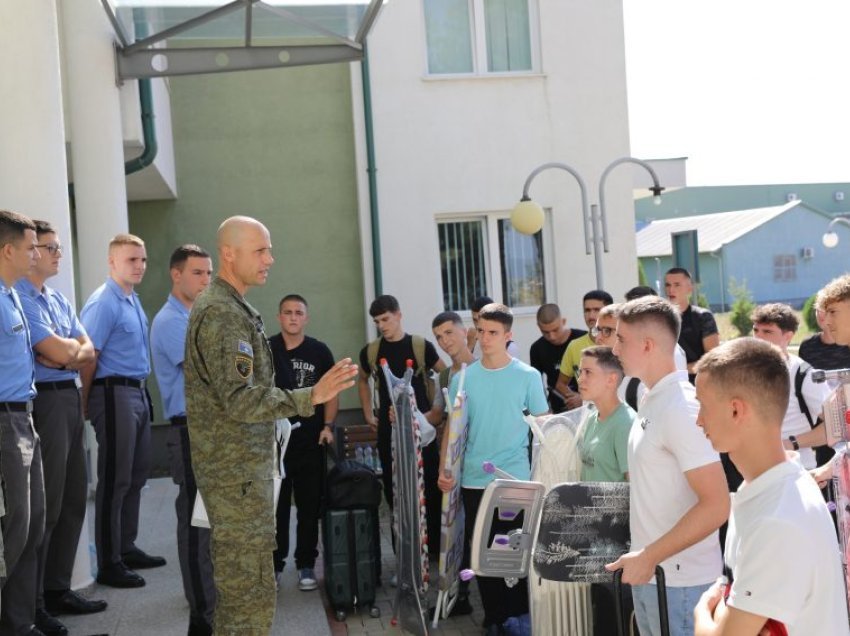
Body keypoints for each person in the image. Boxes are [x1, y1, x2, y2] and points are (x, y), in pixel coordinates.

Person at [183, 216, 357, 635]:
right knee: (247, 601)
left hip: (244, 475)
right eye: (260, 250)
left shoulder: (235, 308)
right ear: (229, 253)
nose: (270, 259)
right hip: (236, 480)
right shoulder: (223, 314)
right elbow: (241, 399)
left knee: (249, 594)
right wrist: (309, 397)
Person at [692, 338, 849, 635]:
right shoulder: (774, 487)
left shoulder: (777, 518)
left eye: (702, 405)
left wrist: (701, 610)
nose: (698, 420)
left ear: (736, 411)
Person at [606, 296, 729, 636]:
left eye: (621, 339)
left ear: (647, 345)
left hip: (680, 584)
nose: (614, 348)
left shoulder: (680, 407)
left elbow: (717, 504)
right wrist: (644, 558)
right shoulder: (651, 397)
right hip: (653, 576)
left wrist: (648, 556)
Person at [16, 221, 105, 636]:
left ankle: (56, 588)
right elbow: (52, 350)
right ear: (30, 253)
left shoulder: (58, 298)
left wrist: (65, 356)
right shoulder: (20, 298)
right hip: (46, 404)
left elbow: (86, 350)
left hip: (68, 398)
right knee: (44, 508)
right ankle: (31, 604)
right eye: (48, 248)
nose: (54, 255)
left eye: (56, 248)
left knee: (73, 497)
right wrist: (64, 354)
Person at [438, 303, 548, 635]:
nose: (485, 339)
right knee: (482, 553)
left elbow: (543, 428)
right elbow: (453, 428)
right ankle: (495, 618)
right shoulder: (463, 377)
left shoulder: (527, 376)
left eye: (493, 333)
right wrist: (446, 469)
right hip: (473, 478)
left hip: (514, 479)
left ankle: (519, 618)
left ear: (508, 335)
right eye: (481, 331)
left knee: (513, 550)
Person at [80, 233, 165, 588]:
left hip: (136, 393)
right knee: (114, 480)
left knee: (136, 474)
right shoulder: (105, 302)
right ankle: (110, 561)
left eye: (143, 259)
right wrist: (85, 405)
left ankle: (126, 548)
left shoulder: (132, 300)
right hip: (112, 394)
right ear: (112, 262)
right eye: (132, 260)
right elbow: (89, 356)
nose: (140, 266)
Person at [150, 244, 215, 636]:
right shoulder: (171, 320)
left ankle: (209, 603)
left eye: (209, 273)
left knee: (208, 523)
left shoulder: (196, 315)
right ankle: (200, 617)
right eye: (197, 273)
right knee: (195, 525)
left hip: (208, 431)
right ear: (176, 274)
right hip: (188, 431)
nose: (205, 280)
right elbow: (205, 372)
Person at [357, 295, 445, 558]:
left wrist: (434, 413)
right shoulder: (372, 351)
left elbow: (445, 376)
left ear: (398, 314)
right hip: (389, 434)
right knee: (397, 495)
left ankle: (435, 554)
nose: (382, 325)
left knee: (429, 491)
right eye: (377, 321)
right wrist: (367, 413)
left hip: (422, 433)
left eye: (386, 319)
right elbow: (362, 380)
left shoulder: (419, 346)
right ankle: (405, 558)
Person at [268, 294, 336, 592]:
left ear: (306, 318)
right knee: (277, 508)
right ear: (279, 317)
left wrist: (328, 426)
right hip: (275, 443)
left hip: (310, 441)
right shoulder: (266, 349)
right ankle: (275, 565)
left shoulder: (319, 352)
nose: (293, 317)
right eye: (287, 312)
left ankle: (306, 563)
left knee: (309, 506)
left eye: (298, 313)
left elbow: (332, 393)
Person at [0, 210, 46, 635]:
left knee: (32, 526)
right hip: (4, 424)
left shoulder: (12, 293)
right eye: (31, 246)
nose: (37, 253)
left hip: (25, 418)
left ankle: (20, 622)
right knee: (13, 530)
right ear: (9, 249)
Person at [427, 310, 476, 617]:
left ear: (463, 332)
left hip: (481, 465)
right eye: (439, 337)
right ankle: (462, 596)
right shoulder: (445, 377)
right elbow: (437, 418)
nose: (445, 341)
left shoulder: (483, 368)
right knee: (456, 532)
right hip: (455, 465)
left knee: (476, 533)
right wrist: (408, 415)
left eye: (448, 333)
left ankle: (484, 598)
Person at [749, 304, 827, 471]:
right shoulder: (741, 370)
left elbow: (837, 426)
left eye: (767, 332)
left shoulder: (804, 374)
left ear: (788, 336)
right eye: (756, 331)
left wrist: (792, 443)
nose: (759, 337)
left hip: (796, 470)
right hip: (753, 471)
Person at [576, 346, 633, 482]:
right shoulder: (591, 418)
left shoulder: (626, 424)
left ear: (611, 380)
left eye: (588, 372)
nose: (580, 379)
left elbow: (634, 487)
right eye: (580, 372)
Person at [555, 290, 614, 409]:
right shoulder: (574, 345)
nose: (591, 316)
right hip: (589, 417)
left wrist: (583, 399)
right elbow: (560, 384)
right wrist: (576, 398)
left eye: (597, 310)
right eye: (587, 310)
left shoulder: (620, 343)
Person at [664, 267, 720, 382]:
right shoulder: (660, 320)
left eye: (677, 285)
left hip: (698, 385)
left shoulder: (703, 317)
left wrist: (680, 370)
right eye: (668, 285)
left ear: (689, 289)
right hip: (669, 384)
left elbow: (713, 359)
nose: (671, 290)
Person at [529, 303, 586, 413]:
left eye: (555, 330)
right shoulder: (537, 348)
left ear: (563, 322)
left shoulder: (582, 339)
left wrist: (584, 399)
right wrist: (543, 409)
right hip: (557, 409)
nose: (552, 336)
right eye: (545, 332)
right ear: (538, 326)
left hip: (588, 406)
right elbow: (536, 385)